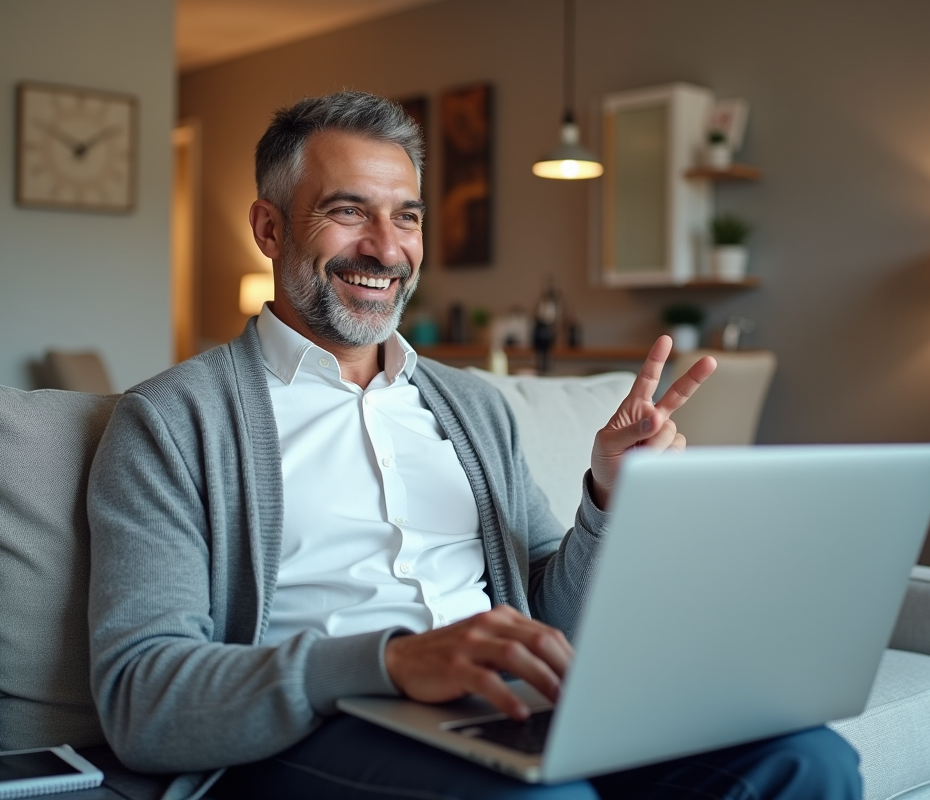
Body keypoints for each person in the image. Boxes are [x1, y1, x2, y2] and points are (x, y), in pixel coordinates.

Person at [87, 90, 861, 799]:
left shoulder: (470, 406)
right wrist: (390, 661)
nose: (387, 250)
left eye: (408, 216)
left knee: (807, 761)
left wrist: (606, 502)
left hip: (501, 709)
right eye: (348, 212)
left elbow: (552, 618)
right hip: (316, 736)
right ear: (268, 227)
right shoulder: (172, 420)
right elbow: (140, 698)